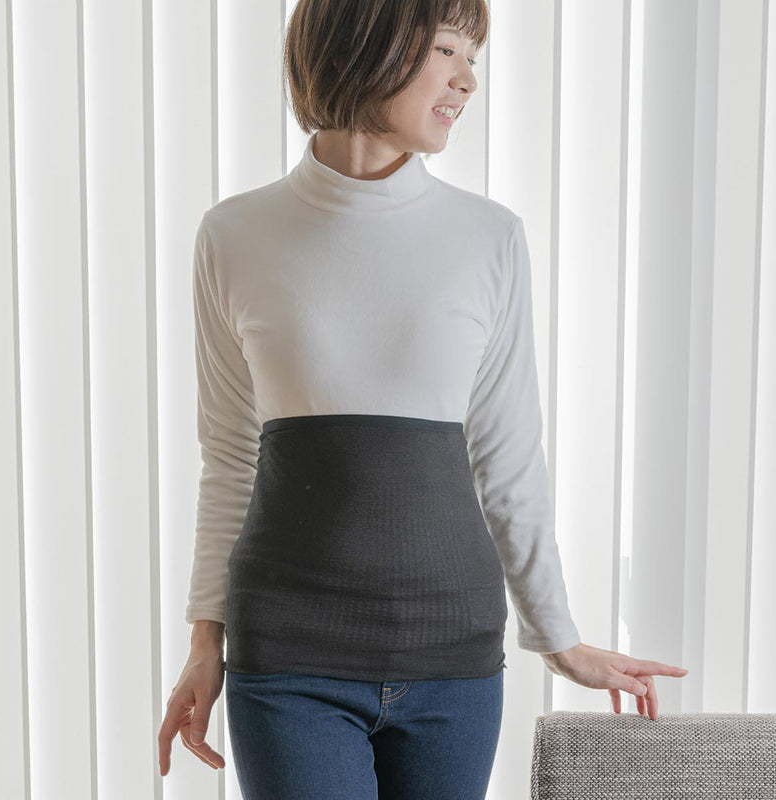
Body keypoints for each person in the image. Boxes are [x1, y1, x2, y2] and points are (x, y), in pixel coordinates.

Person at [158, 1, 688, 797]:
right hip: (290, 660)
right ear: (365, 41)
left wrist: (560, 638)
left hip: (454, 663)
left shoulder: (489, 238)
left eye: (473, 56)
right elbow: (230, 456)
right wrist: (205, 646)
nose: (467, 80)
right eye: (446, 49)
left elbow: (508, 456)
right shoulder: (234, 235)